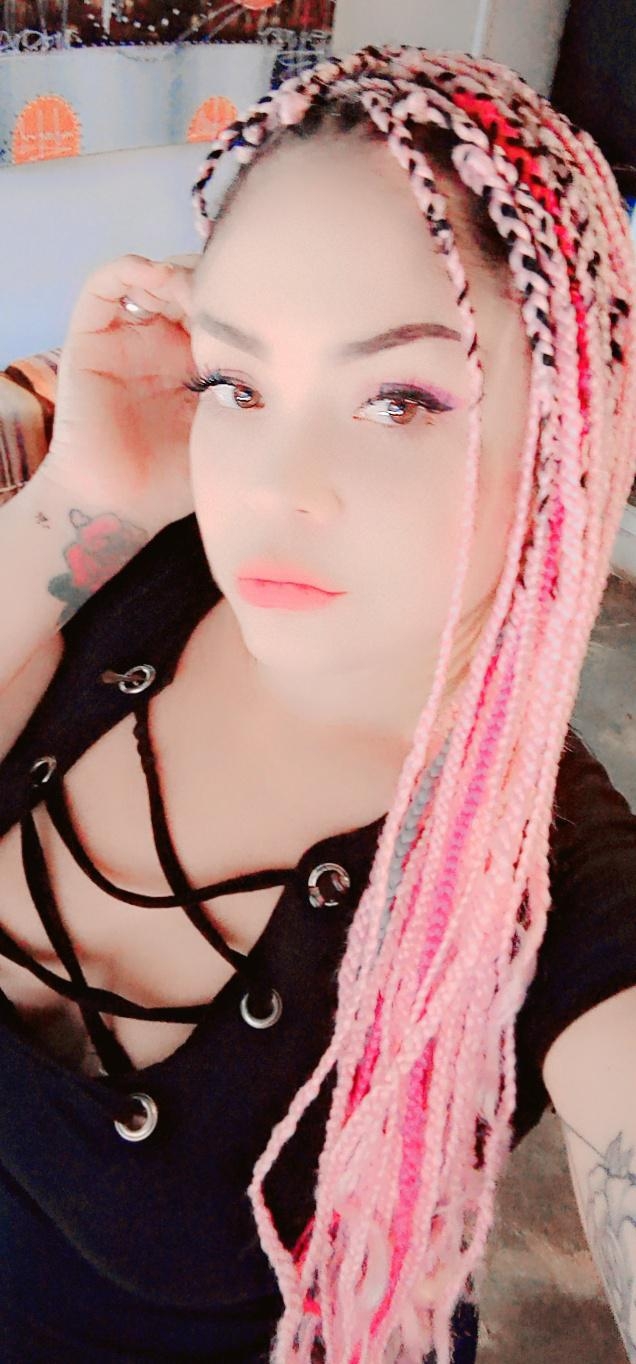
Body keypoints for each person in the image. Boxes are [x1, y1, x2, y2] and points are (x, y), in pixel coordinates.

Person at [0, 40, 635, 1364]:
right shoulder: (127, 579)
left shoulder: (547, 884)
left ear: (566, 431)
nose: (275, 486)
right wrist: (79, 504)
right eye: (238, 383)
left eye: (400, 399)